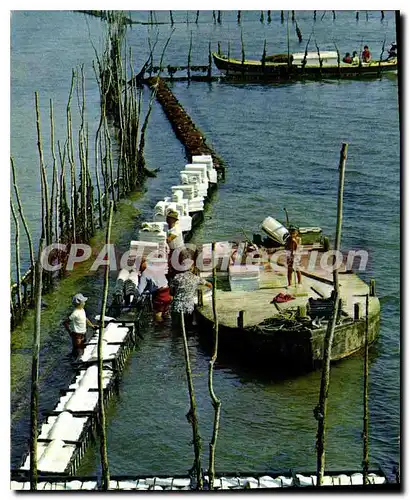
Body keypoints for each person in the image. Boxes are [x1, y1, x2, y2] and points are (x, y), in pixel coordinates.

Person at [170, 249, 212, 326]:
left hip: (176, 306)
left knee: (175, 328)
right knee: (188, 327)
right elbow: (210, 285)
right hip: (188, 307)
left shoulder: (176, 277)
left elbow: (172, 292)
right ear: (192, 267)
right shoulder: (196, 278)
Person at [137, 257, 172, 323]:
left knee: (157, 316)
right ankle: (167, 328)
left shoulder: (145, 273)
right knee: (165, 314)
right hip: (167, 293)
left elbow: (140, 289)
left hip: (160, 296)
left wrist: (135, 299)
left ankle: (160, 329)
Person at [166, 209, 184, 278]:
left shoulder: (176, 229)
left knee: (177, 267)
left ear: (172, 219)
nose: (166, 219)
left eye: (168, 218)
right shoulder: (169, 228)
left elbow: (169, 239)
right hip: (173, 250)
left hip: (178, 250)